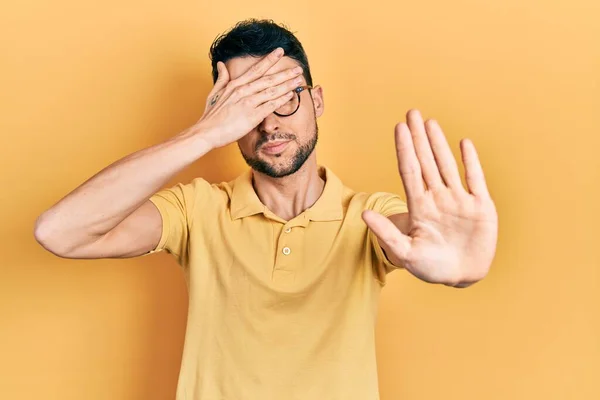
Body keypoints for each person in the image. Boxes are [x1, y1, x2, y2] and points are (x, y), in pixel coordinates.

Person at [34, 18, 498, 400]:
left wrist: (458, 263)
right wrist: (204, 134)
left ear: (316, 100)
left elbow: (411, 238)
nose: (269, 122)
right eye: (247, 106)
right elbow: (60, 232)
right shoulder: (196, 210)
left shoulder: (368, 217)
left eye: (283, 99)